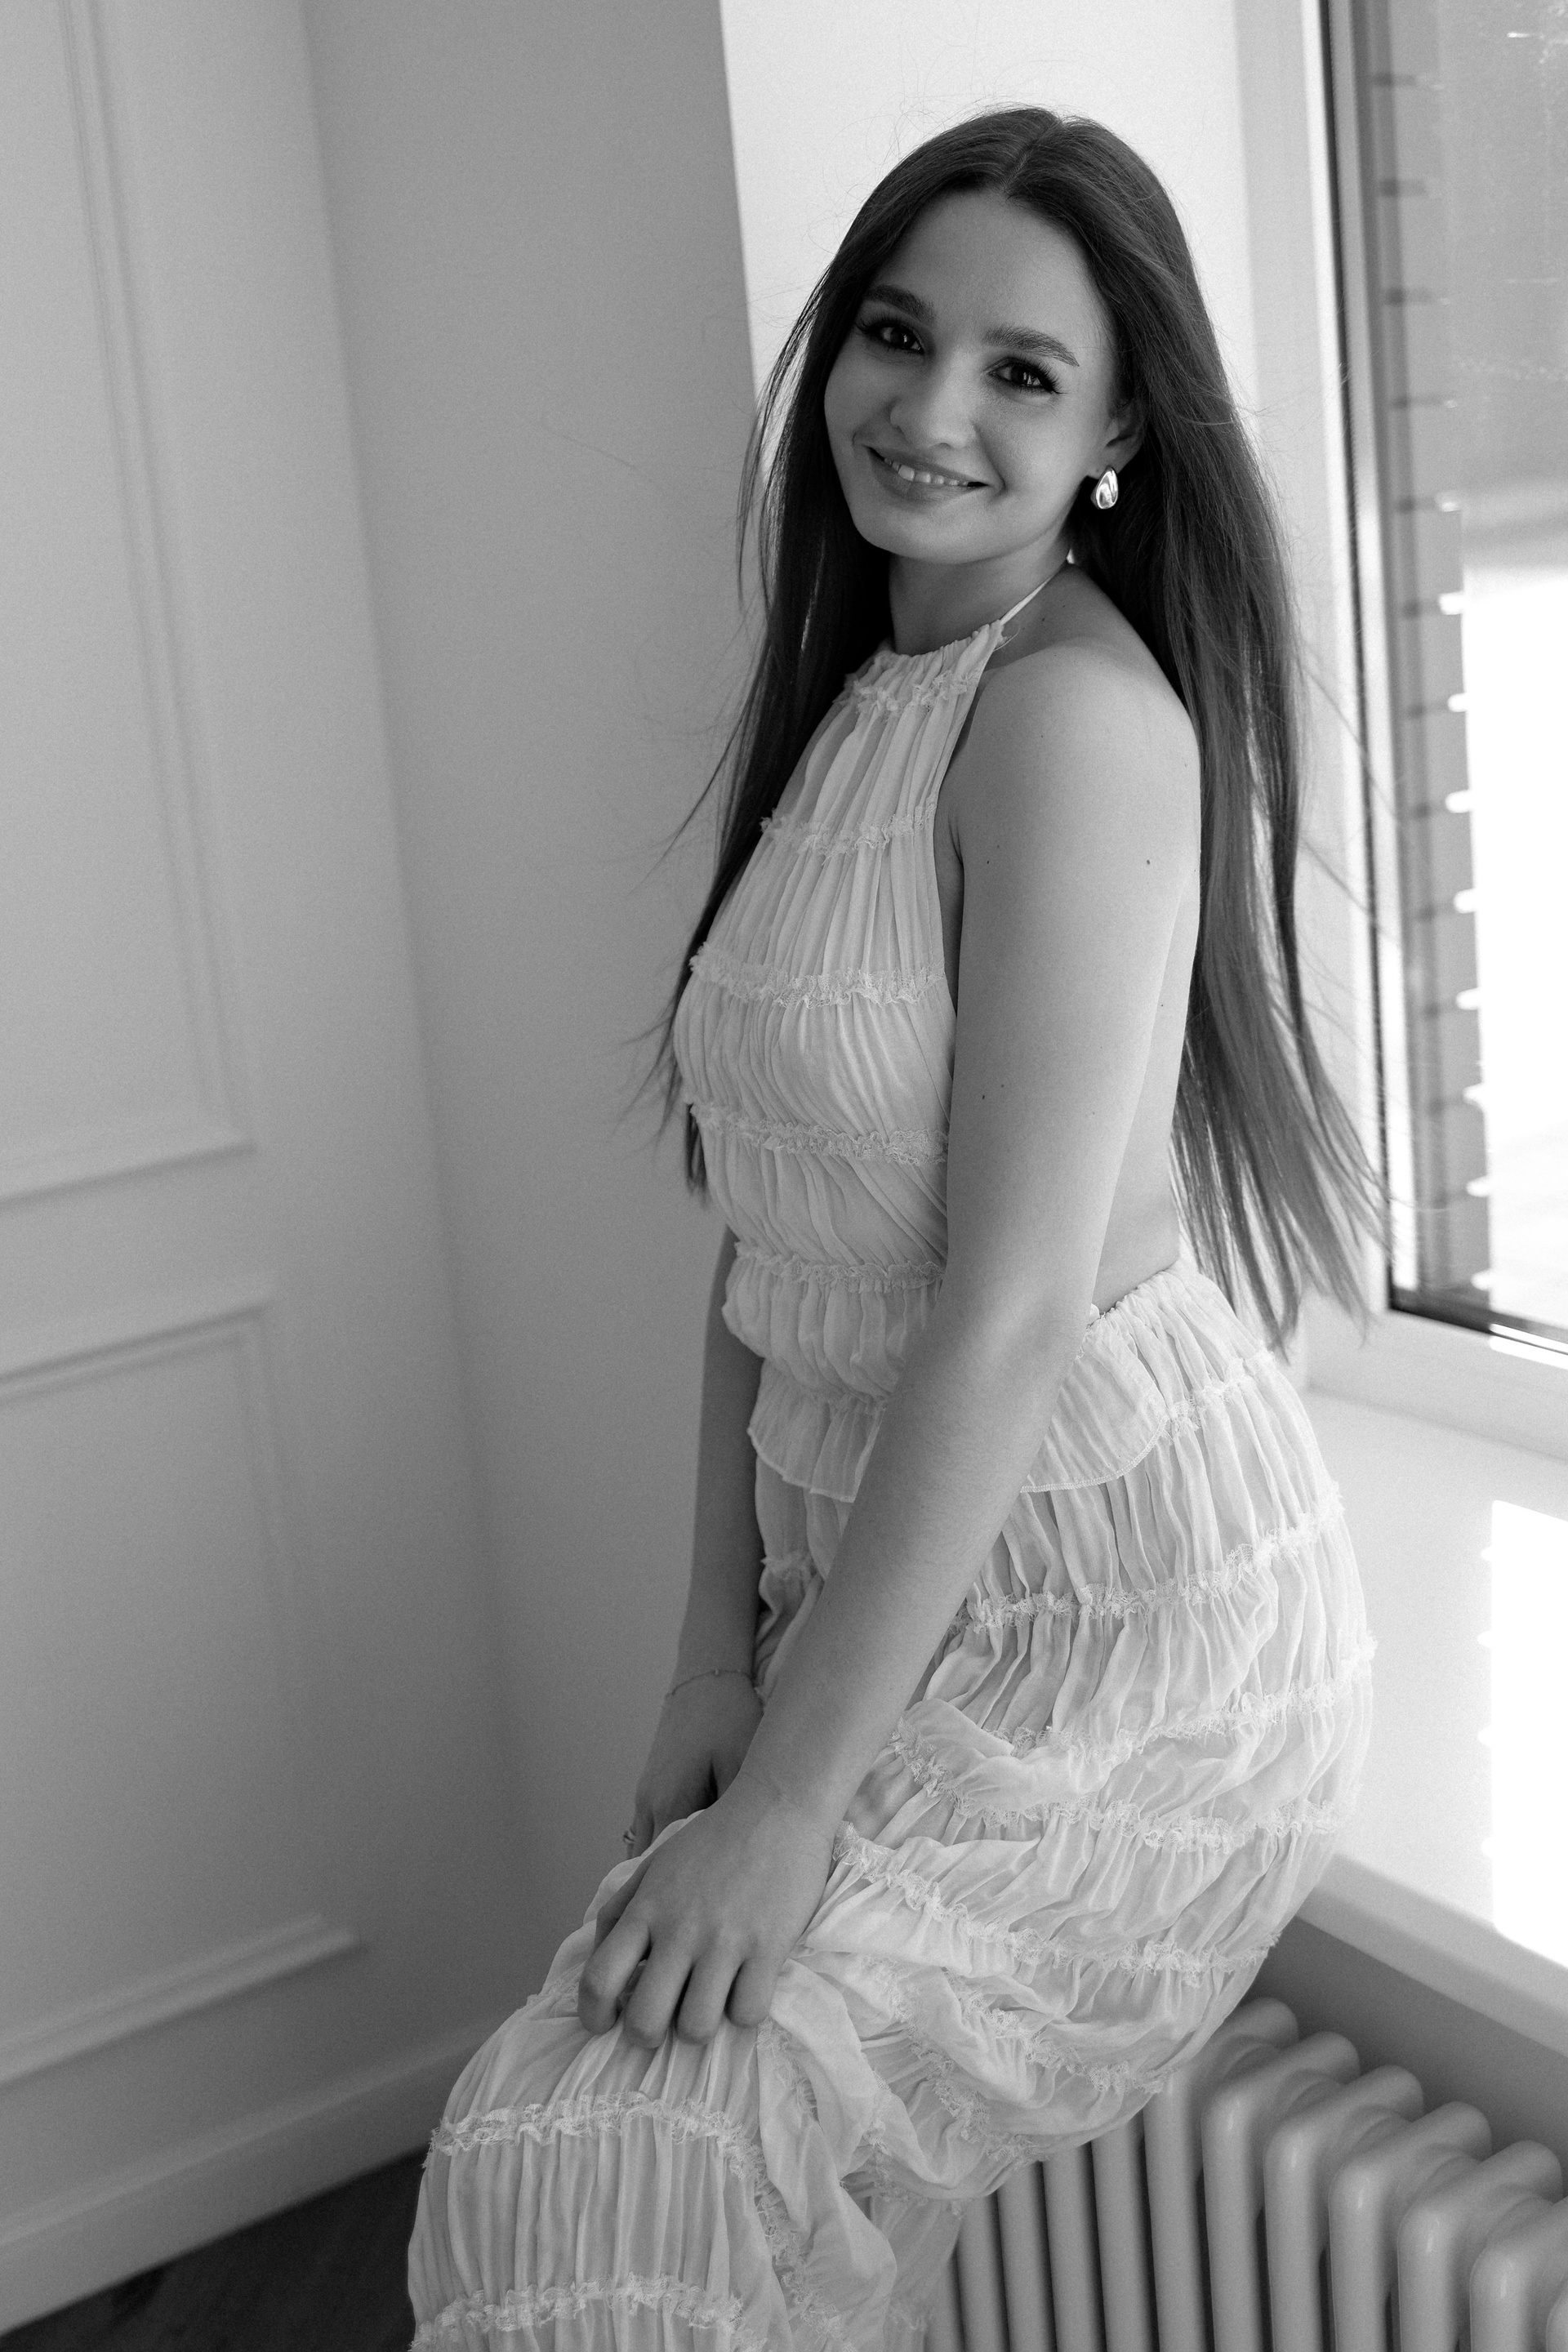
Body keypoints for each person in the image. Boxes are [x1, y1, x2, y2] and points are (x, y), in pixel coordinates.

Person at [408, 107, 1379, 2351]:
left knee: (599, 2146)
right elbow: (768, 1237)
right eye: (895, 333)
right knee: (656, 2173)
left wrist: (789, 1807)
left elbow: (1013, 1312)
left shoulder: (1077, 727)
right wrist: (712, 1659)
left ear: (1119, 432)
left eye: (1023, 372)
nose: (929, 409)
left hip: (1128, 1623)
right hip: (893, 1584)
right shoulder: (865, 696)